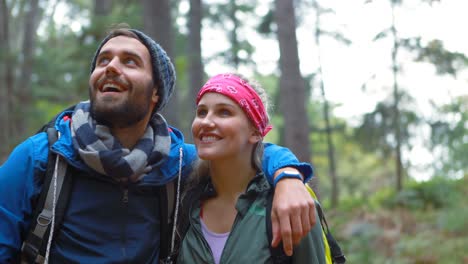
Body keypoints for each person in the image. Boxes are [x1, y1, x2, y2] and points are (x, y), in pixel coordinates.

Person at [0, 27, 316, 263]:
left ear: (155, 94)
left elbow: (247, 150)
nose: (111, 67)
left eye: (130, 61)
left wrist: (288, 175)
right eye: (103, 60)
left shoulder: (177, 163)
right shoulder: (42, 157)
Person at [176, 73, 326, 263]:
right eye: (202, 112)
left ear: (255, 132)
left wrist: (288, 177)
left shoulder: (290, 203)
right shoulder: (186, 200)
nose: (206, 122)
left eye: (224, 112)